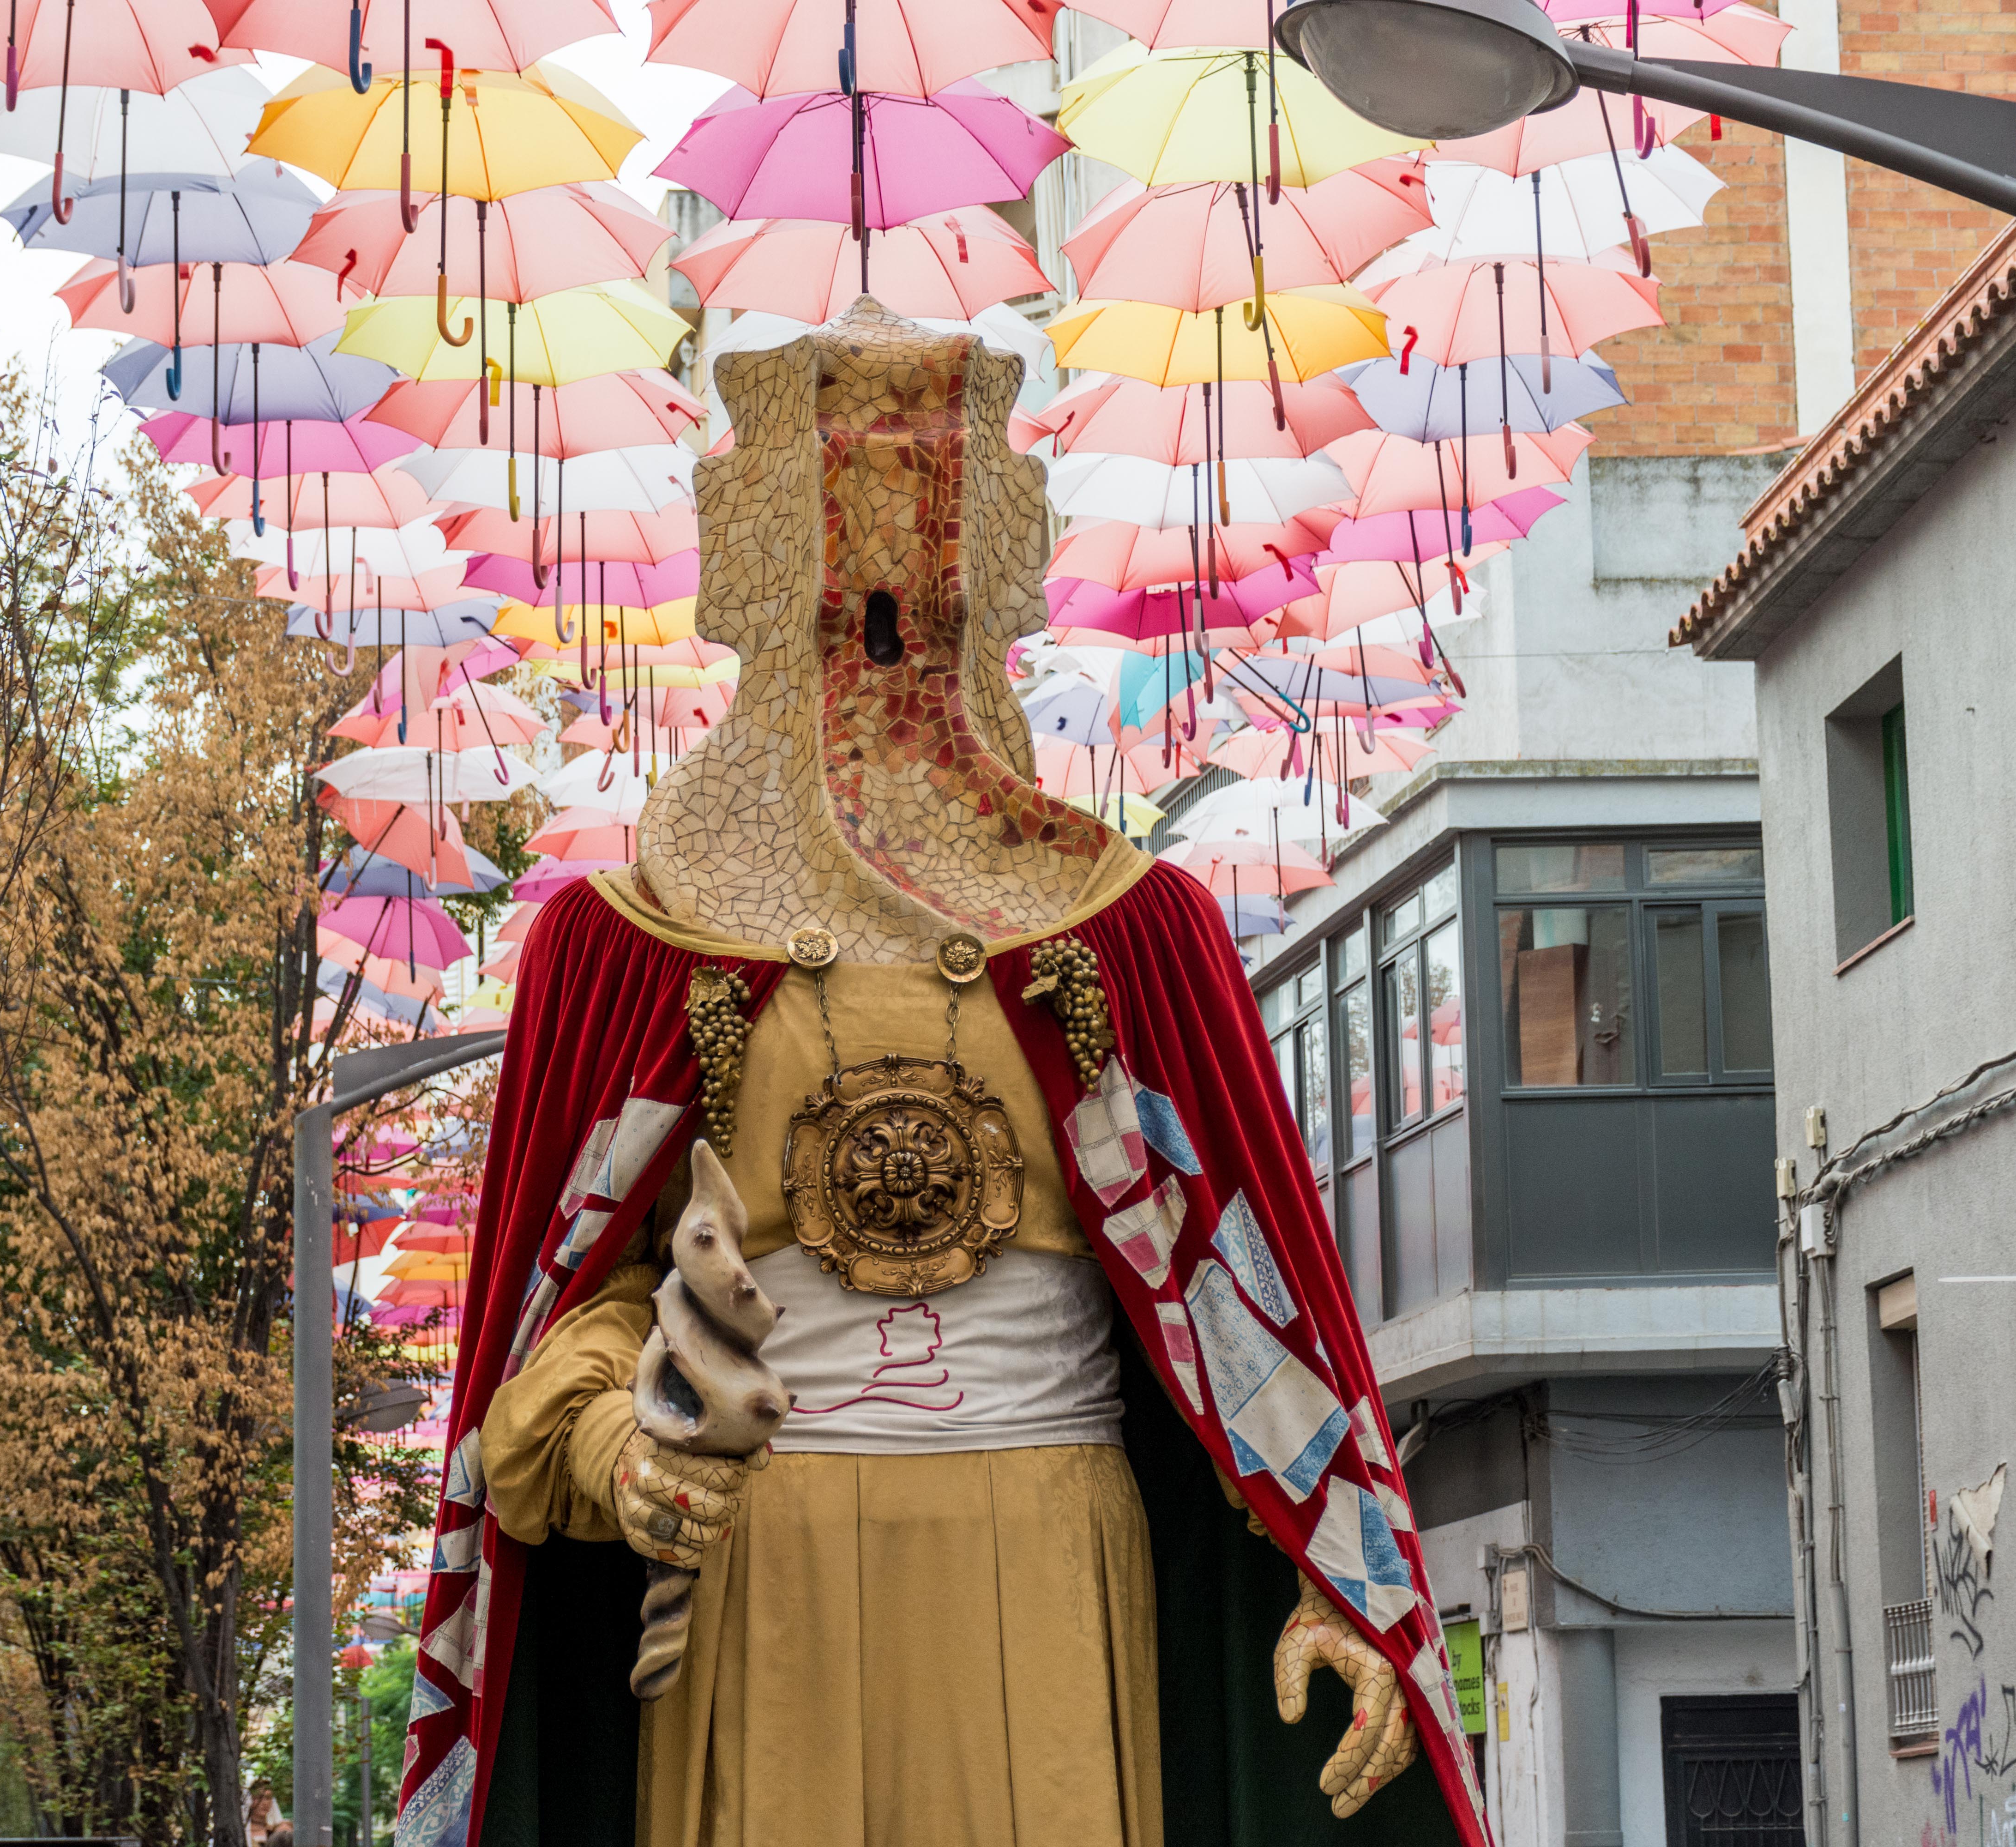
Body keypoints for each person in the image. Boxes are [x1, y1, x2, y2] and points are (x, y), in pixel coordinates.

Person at [398, 303, 1487, 1847]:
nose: (886, 615)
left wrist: (1334, 1573)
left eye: (918, 577)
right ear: (767, 579)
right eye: (848, 582)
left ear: (991, 588)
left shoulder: (1134, 934)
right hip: (758, 1581)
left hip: (1050, 1557)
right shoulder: (625, 948)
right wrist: (613, 1442)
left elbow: (1241, 1301)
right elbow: (564, 1332)